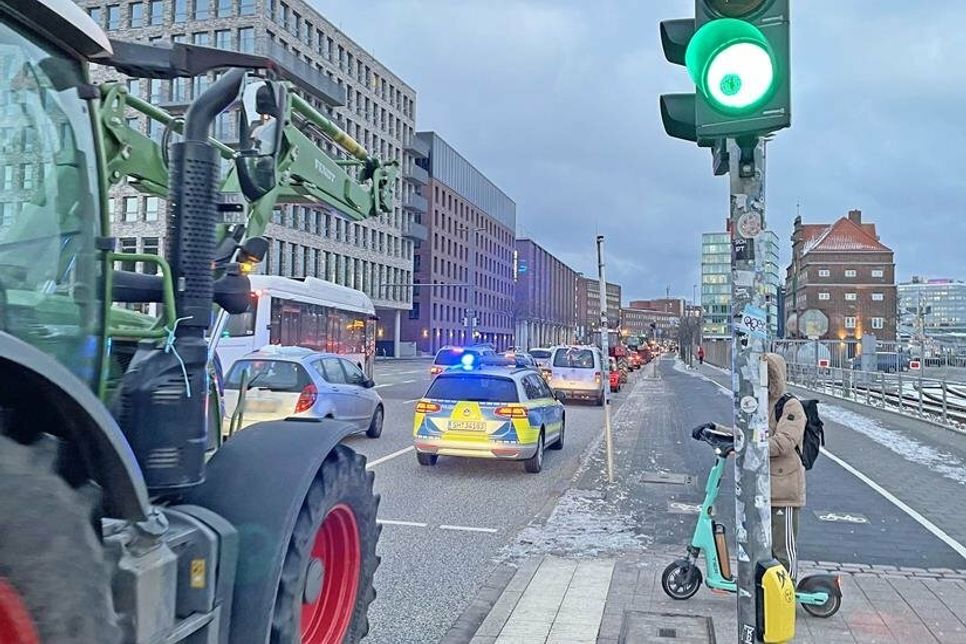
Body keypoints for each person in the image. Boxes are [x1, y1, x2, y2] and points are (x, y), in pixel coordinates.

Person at [708, 353, 806, 579]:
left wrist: (750, 447)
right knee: (759, 547)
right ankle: (763, 590)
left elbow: (784, 442)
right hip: (759, 490)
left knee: (783, 549)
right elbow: (745, 434)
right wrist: (715, 429)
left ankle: (787, 590)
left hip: (783, 491)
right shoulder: (758, 403)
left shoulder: (790, 406)